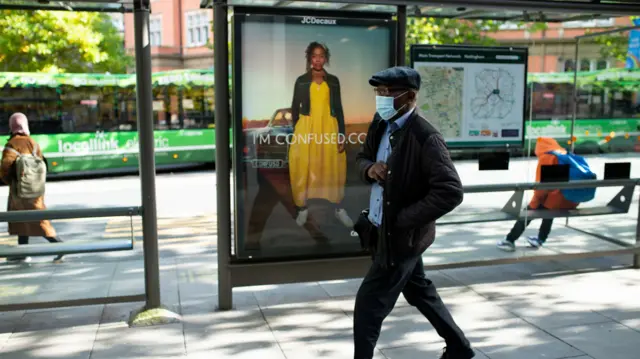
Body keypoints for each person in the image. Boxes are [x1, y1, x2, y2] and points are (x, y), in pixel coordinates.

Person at [353, 67, 475, 359]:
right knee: (418, 289)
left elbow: (450, 191)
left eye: (389, 93)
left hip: (400, 238)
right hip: (383, 229)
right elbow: (361, 157)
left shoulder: (426, 136)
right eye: (378, 92)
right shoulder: (381, 122)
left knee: (368, 305)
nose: (382, 98)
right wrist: (370, 168)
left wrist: (405, 220)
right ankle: (459, 347)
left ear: (409, 96)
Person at [288, 41, 353, 228]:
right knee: (303, 167)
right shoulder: (301, 80)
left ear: (326, 58)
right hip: (307, 127)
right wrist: (296, 132)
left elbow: (339, 108)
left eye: (321, 56)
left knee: (334, 167)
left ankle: (339, 209)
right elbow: (294, 107)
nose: (318, 59)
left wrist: (341, 134)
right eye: (314, 56)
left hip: (329, 128)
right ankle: (302, 209)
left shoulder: (333, 80)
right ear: (309, 58)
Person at [1, 113, 64, 263]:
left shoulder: (12, 144)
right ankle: (23, 252)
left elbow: (4, 168)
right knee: (25, 220)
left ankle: (60, 245)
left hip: (20, 190)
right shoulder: (33, 143)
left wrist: (11, 182)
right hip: (36, 190)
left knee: (37, 221)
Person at [497, 137, 578, 251]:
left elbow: (542, 186)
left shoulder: (547, 157)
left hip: (554, 197)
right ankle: (540, 240)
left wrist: (535, 202)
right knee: (549, 212)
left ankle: (509, 240)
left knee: (526, 214)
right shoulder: (564, 153)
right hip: (568, 198)